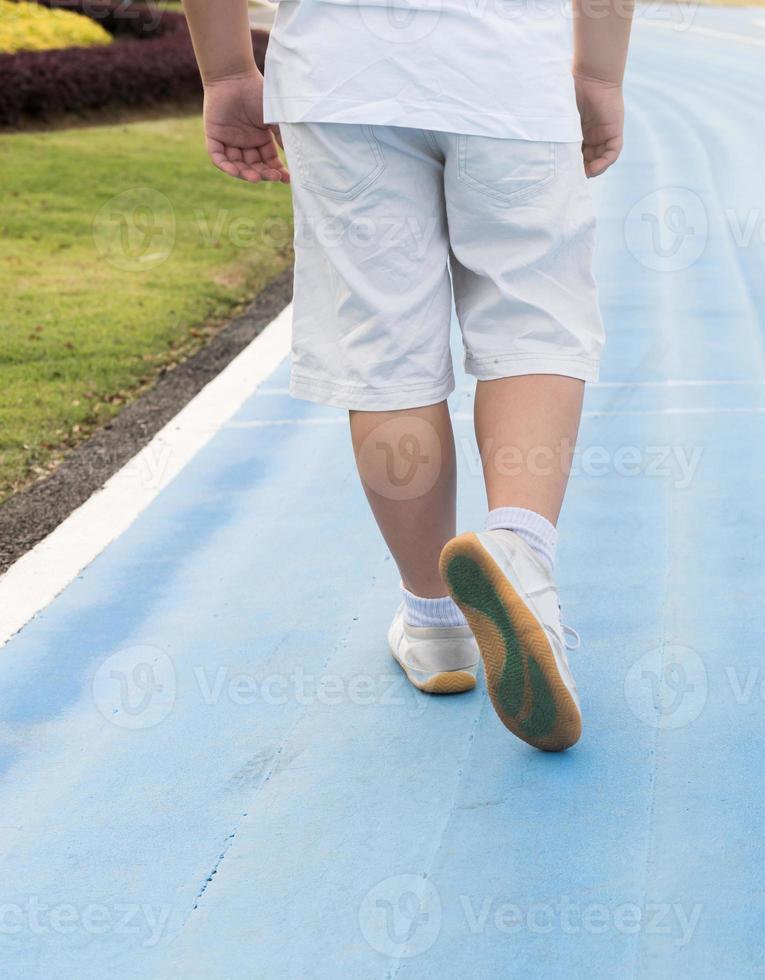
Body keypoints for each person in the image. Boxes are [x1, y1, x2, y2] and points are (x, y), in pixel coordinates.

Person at [180, 0, 633, 751]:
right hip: (508, 71)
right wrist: (596, 75)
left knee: (386, 350)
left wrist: (228, 70)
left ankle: (435, 623)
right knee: (534, 324)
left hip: (341, 75)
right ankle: (520, 553)